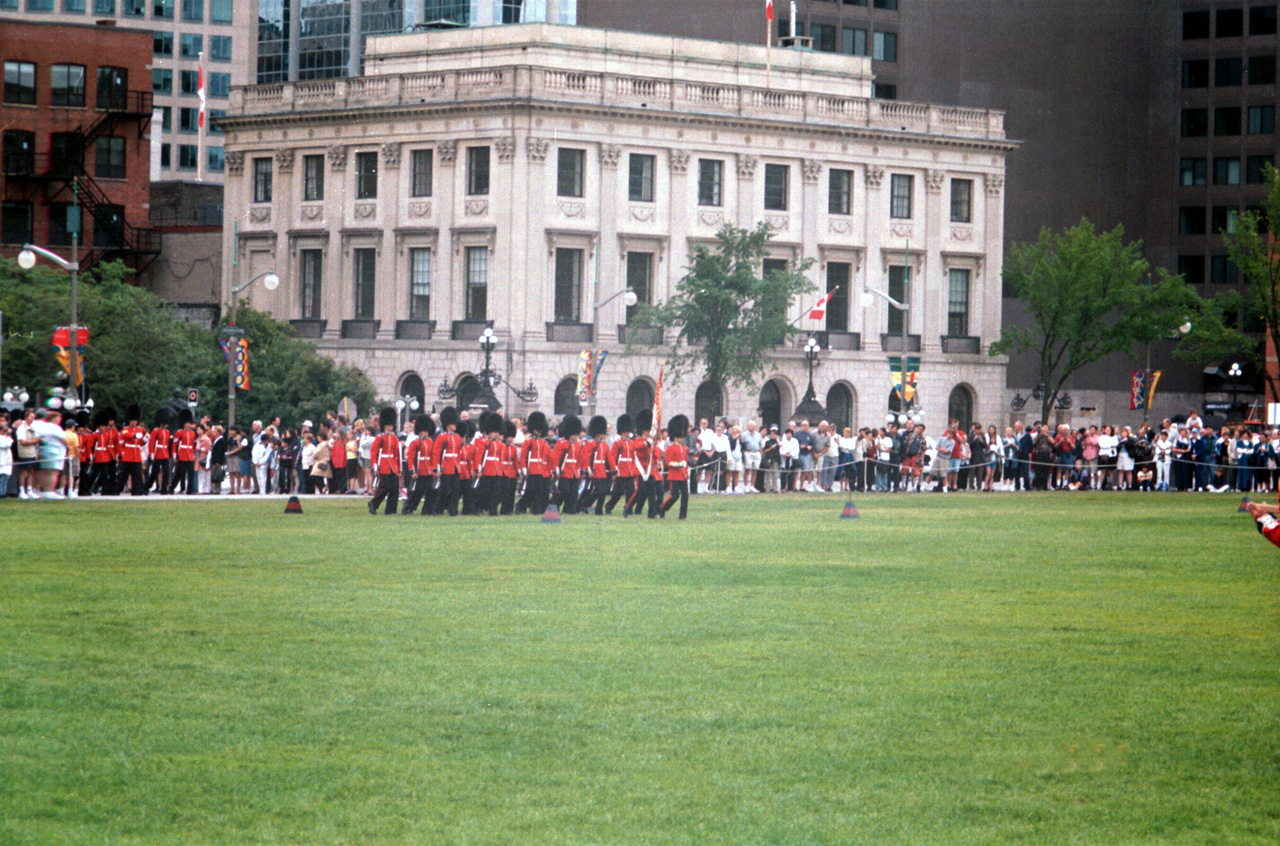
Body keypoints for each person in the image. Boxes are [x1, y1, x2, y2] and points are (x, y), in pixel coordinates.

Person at [402, 414, 438, 515]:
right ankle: (409, 506)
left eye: (426, 431)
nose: (425, 433)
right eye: (423, 431)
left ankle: (427, 509)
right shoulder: (415, 443)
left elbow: (433, 457)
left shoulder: (430, 442)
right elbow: (411, 458)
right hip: (419, 469)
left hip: (429, 470)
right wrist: (412, 471)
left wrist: (435, 470)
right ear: (419, 431)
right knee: (418, 491)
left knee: (430, 490)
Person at [367, 408, 401, 515]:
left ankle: (391, 509)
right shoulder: (379, 438)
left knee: (395, 489)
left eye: (391, 425)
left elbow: (397, 454)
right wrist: (375, 466)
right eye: (389, 425)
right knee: (385, 487)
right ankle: (374, 503)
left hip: (393, 465)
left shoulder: (395, 438)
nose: (390, 427)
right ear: (385, 425)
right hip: (383, 465)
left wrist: (399, 467)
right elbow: (374, 453)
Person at [433, 407, 464, 516]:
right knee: (445, 489)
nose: (455, 425)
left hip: (455, 466)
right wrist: (437, 468)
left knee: (456, 489)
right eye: (453, 423)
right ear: (448, 424)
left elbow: (458, 452)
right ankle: (438, 508)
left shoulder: (457, 437)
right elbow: (436, 453)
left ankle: (453, 509)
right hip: (445, 466)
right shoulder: (441, 437)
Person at [661, 414, 691, 519]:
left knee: (685, 495)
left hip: (682, 475)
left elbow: (686, 462)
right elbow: (668, 462)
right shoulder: (670, 448)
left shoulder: (683, 448)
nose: (681, 438)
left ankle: (683, 515)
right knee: (675, 496)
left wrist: (686, 472)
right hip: (674, 475)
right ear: (674, 436)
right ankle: (662, 509)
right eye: (679, 436)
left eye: (681, 436)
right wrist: (678, 464)